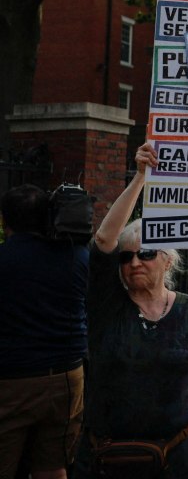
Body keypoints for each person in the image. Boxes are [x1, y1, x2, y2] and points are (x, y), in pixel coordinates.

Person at [76, 142, 188, 478]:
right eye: (126, 257)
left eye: (146, 254)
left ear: (167, 260)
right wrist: (140, 177)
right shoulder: (108, 306)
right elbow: (103, 241)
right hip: (110, 459)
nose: (134, 263)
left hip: (179, 458)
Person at [0, 185, 88, 479]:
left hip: (10, 381)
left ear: (4, 220)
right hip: (66, 378)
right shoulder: (77, 257)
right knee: (53, 466)